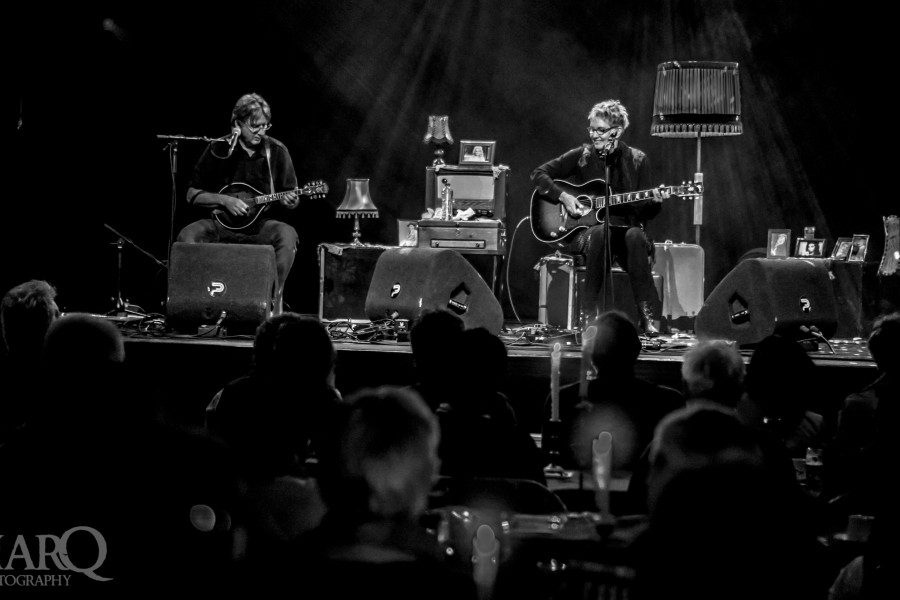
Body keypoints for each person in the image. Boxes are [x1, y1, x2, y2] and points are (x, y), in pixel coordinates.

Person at [531, 99, 665, 334]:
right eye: (591, 129)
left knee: (635, 235)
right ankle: (588, 315)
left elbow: (646, 212)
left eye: (600, 130)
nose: (594, 135)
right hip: (587, 234)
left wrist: (654, 202)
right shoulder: (583, 155)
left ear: (617, 131)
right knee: (602, 233)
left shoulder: (637, 160)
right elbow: (539, 173)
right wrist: (563, 196)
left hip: (626, 235)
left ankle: (647, 318)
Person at [176, 93, 300, 311]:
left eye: (265, 126)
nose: (261, 132)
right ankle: (192, 304)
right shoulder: (218, 149)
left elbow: (292, 196)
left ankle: (273, 301)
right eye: (255, 126)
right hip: (220, 225)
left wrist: (291, 201)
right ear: (237, 124)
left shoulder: (277, 151)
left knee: (287, 235)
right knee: (187, 236)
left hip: (260, 227)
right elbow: (192, 194)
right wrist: (224, 201)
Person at [0, 279, 60, 443]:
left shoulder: (7, 370)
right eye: (58, 315)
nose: (62, 320)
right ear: (46, 326)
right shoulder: (52, 382)